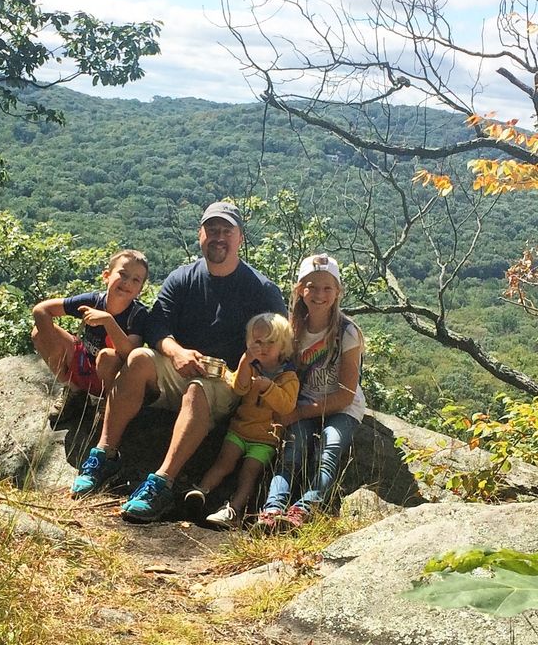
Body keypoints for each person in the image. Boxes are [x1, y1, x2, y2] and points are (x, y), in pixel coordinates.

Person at [69, 201, 287, 521]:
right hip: (177, 365)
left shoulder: (262, 290)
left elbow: (277, 343)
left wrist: (245, 370)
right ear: (200, 234)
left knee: (198, 389)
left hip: (224, 379)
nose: (219, 237)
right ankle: (104, 455)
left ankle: (162, 483)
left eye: (227, 231)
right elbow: (157, 324)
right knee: (140, 357)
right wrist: (175, 351)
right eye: (212, 230)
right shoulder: (183, 278)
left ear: (241, 237)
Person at [255, 253, 365, 531]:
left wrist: (298, 413)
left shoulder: (347, 332)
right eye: (312, 287)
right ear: (300, 290)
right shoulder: (291, 331)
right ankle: (272, 509)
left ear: (338, 291)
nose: (319, 294)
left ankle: (304, 507)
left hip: (340, 408)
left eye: (327, 288)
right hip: (302, 401)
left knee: (329, 448)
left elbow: (345, 395)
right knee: (293, 453)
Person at [183, 312, 299, 529]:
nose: (262, 347)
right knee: (223, 463)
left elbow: (287, 405)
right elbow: (239, 387)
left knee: (249, 473)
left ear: (283, 346)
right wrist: (246, 359)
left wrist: (269, 388)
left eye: (270, 342)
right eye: (256, 342)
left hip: (265, 439)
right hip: (239, 430)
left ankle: (233, 511)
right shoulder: (252, 365)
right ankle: (200, 492)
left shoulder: (288, 376)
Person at [31, 249, 149, 398]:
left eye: (136, 280)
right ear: (106, 276)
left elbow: (130, 354)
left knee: (107, 356)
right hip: (83, 364)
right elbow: (41, 310)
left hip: (113, 375)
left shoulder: (138, 315)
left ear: (140, 290)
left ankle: (108, 403)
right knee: (38, 332)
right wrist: (54, 350)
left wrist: (108, 321)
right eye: (123, 274)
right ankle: (73, 392)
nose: (127, 282)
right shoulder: (94, 301)